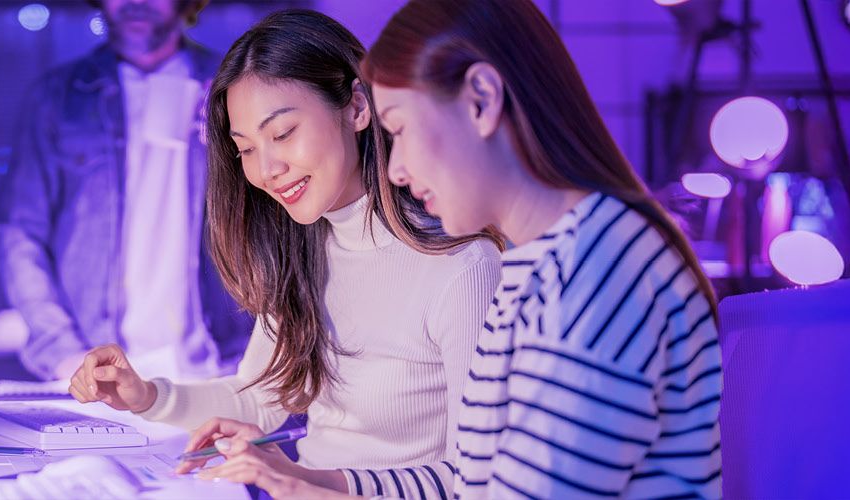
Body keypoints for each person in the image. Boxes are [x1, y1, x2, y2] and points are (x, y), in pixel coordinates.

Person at [213, 0, 725, 498]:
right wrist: (311, 482)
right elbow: (476, 482)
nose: (396, 168)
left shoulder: (602, 275)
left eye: (401, 129)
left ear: (481, 99)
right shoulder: (532, 268)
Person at [65, 8, 502, 488]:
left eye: (283, 133)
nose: (267, 170)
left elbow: (477, 480)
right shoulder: (304, 249)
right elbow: (261, 399)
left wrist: (305, 481)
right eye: (247, 149)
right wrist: (146, 396)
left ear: (357, 107)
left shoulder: (461, 267)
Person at [0, 0, 253, 382]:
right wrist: (62, 351)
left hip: (217, 367)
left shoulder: (233, 88)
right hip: (95, 368)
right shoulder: (57, 98)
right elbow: (20, 233)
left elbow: (274, 222)